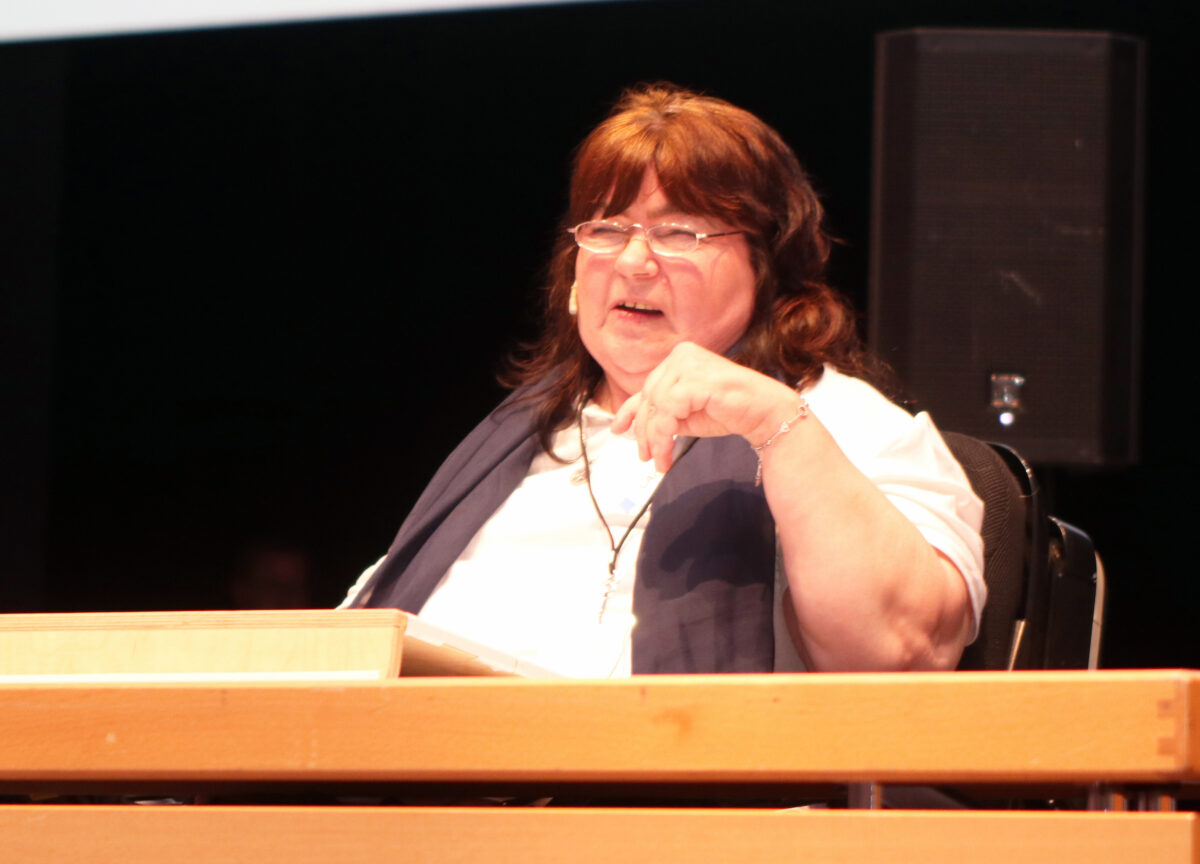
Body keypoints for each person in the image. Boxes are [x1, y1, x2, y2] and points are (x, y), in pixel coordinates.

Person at [341, 82, 984, 677]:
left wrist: (773, 424)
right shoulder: (512, 441)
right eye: (606, 228)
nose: (633, 261)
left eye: (680, 232)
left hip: (684, 763)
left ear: (768, 267)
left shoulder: (841, 422)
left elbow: (904, 651)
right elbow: (347, 643)